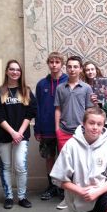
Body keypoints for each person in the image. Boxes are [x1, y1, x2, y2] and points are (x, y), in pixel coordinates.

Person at [0, 60, 37, 209]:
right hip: (4, 135)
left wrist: (19, 133)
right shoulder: (0, 91)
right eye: (12, 69)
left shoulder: (26, 91)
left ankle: (22, 197)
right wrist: (12, 132)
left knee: (20, 166)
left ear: (20, 73)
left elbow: (31, 111)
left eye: (17, 70)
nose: (15, 72)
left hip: (21, 136)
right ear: (7, 71)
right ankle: (9, 196)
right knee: (6, 166)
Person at [54, 55, 93, 209]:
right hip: (63, 130)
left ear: (80, 69)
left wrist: (87, 129)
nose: (72, 69)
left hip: (80, 132)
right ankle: (66, 197)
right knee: (66, 166)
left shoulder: (86, 88)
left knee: (80, 165)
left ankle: (82, 195)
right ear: (66, 68)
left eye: (75, 66)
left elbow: (89, 110)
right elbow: (57, 108)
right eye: (69, 66)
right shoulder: (60, 88)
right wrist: (57, 128)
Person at [35, 52, 68, 201]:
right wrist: (37, 128)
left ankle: (64, 187)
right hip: (46, 128)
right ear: (48, 64)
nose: (54, 65)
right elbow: (38, 107)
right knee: (49, 158)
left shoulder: (68, 81)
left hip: (65, 128)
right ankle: (52, 186)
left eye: (57, 62)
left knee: (65, 159)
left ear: (62, 64)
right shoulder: (42, 84)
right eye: (51, 62)